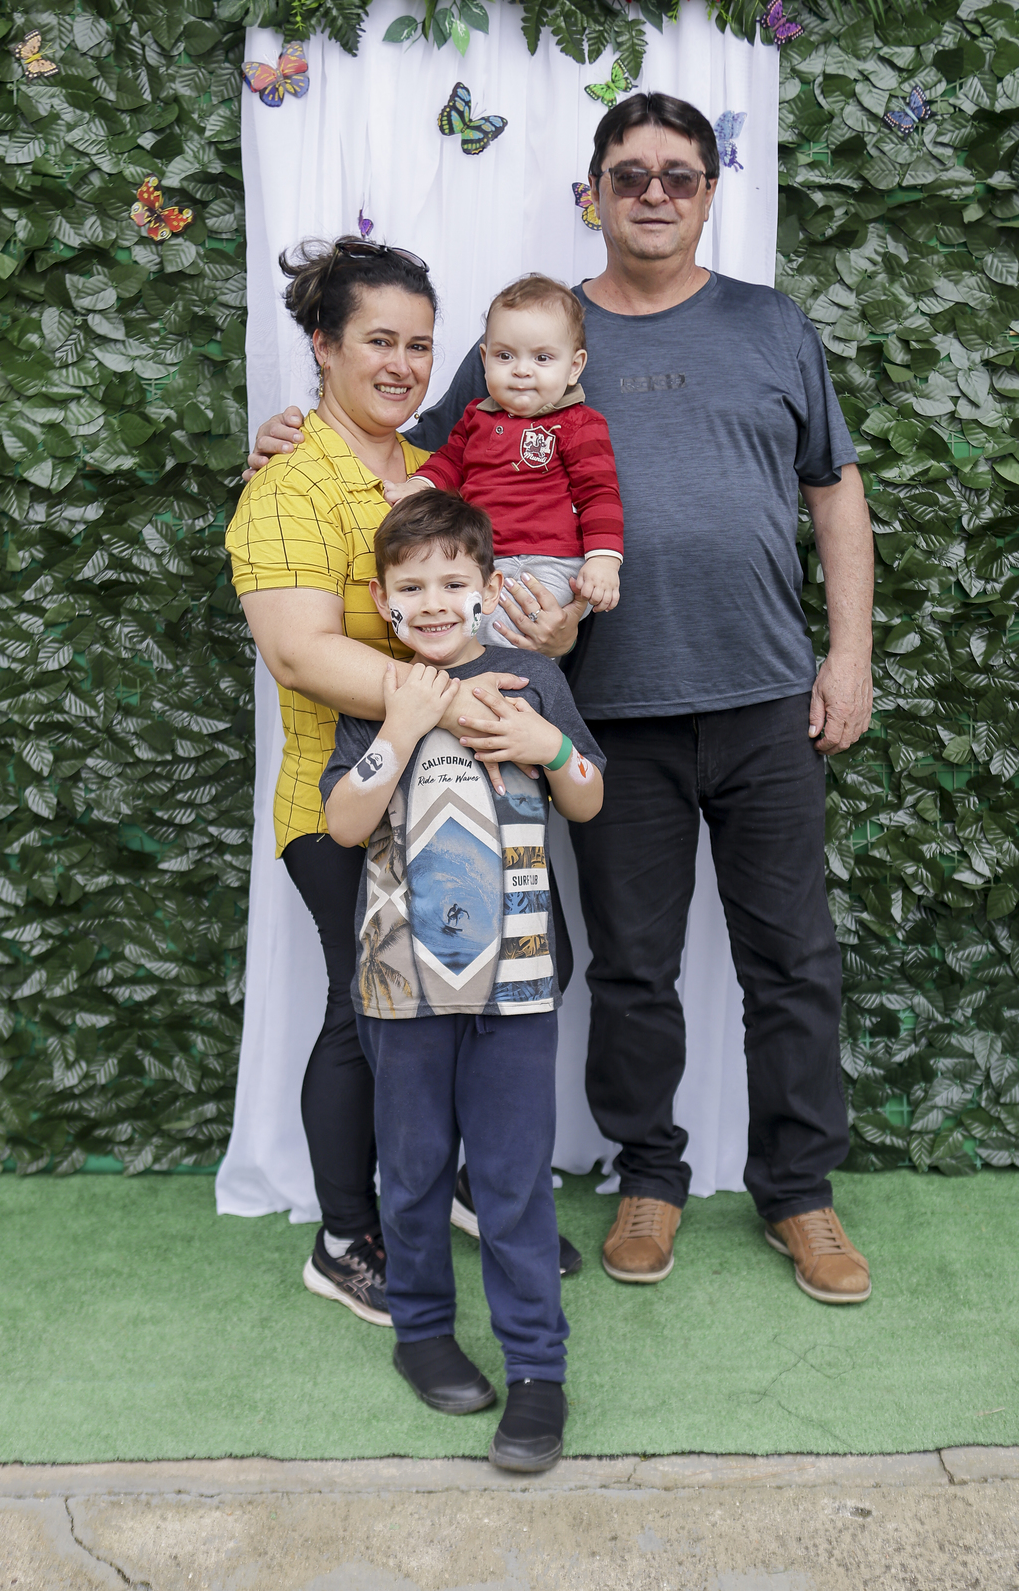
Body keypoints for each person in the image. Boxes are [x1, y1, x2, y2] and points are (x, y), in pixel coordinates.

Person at [250, 90, 876, 1306]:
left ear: (711, 191)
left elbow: (834, 490)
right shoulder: (529, 331)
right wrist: (293, 435)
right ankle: (650, 1178)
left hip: (764, 695)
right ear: (593, 193)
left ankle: (801, 1194)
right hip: (608, 708)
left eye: (680, 174)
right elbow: (407, 457)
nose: (655, 193)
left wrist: (847, 656)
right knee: (633, 965)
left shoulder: (771, 325)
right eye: (629, 173)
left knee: (793, 959)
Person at [225, 238, 578, 1330]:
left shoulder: (437, 471)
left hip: (472, 804)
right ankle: (346, 1239)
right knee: (371, 1015)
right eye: (378, 340)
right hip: (345, 806)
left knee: (523, 974)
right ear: (322, 346)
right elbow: (299, 654)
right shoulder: (289, 486)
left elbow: (505, 595)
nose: (403, 364)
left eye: (420, 344)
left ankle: (467, 1183)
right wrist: (449, 703)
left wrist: (552, 631)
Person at [320, 490, 605, 1473]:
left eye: (453, 581)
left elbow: (589, 796)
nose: (434, 602)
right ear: (383, 599)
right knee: (412, 1176)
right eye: (411, 587)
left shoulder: (533, 680)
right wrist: (400, 728)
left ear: (489, 586)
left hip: (516, 988)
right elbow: (344, 825)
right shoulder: (380, 692)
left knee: (514, 1183)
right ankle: (423, 1334)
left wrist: (549, 748)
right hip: (402, 991)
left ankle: (538, 1372)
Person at [385, 273, 624, 638]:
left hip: (549, 560)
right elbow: (450, 461)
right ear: (485, 359)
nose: (521, 370)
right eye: (505, 355)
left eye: (542, 357)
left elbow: (599, 494)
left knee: (501, 631)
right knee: (450, 625)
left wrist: (603, 559)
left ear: (574, 367)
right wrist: (420, 484)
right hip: (480, 558)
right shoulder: (476, 417)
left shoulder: (578, 424)